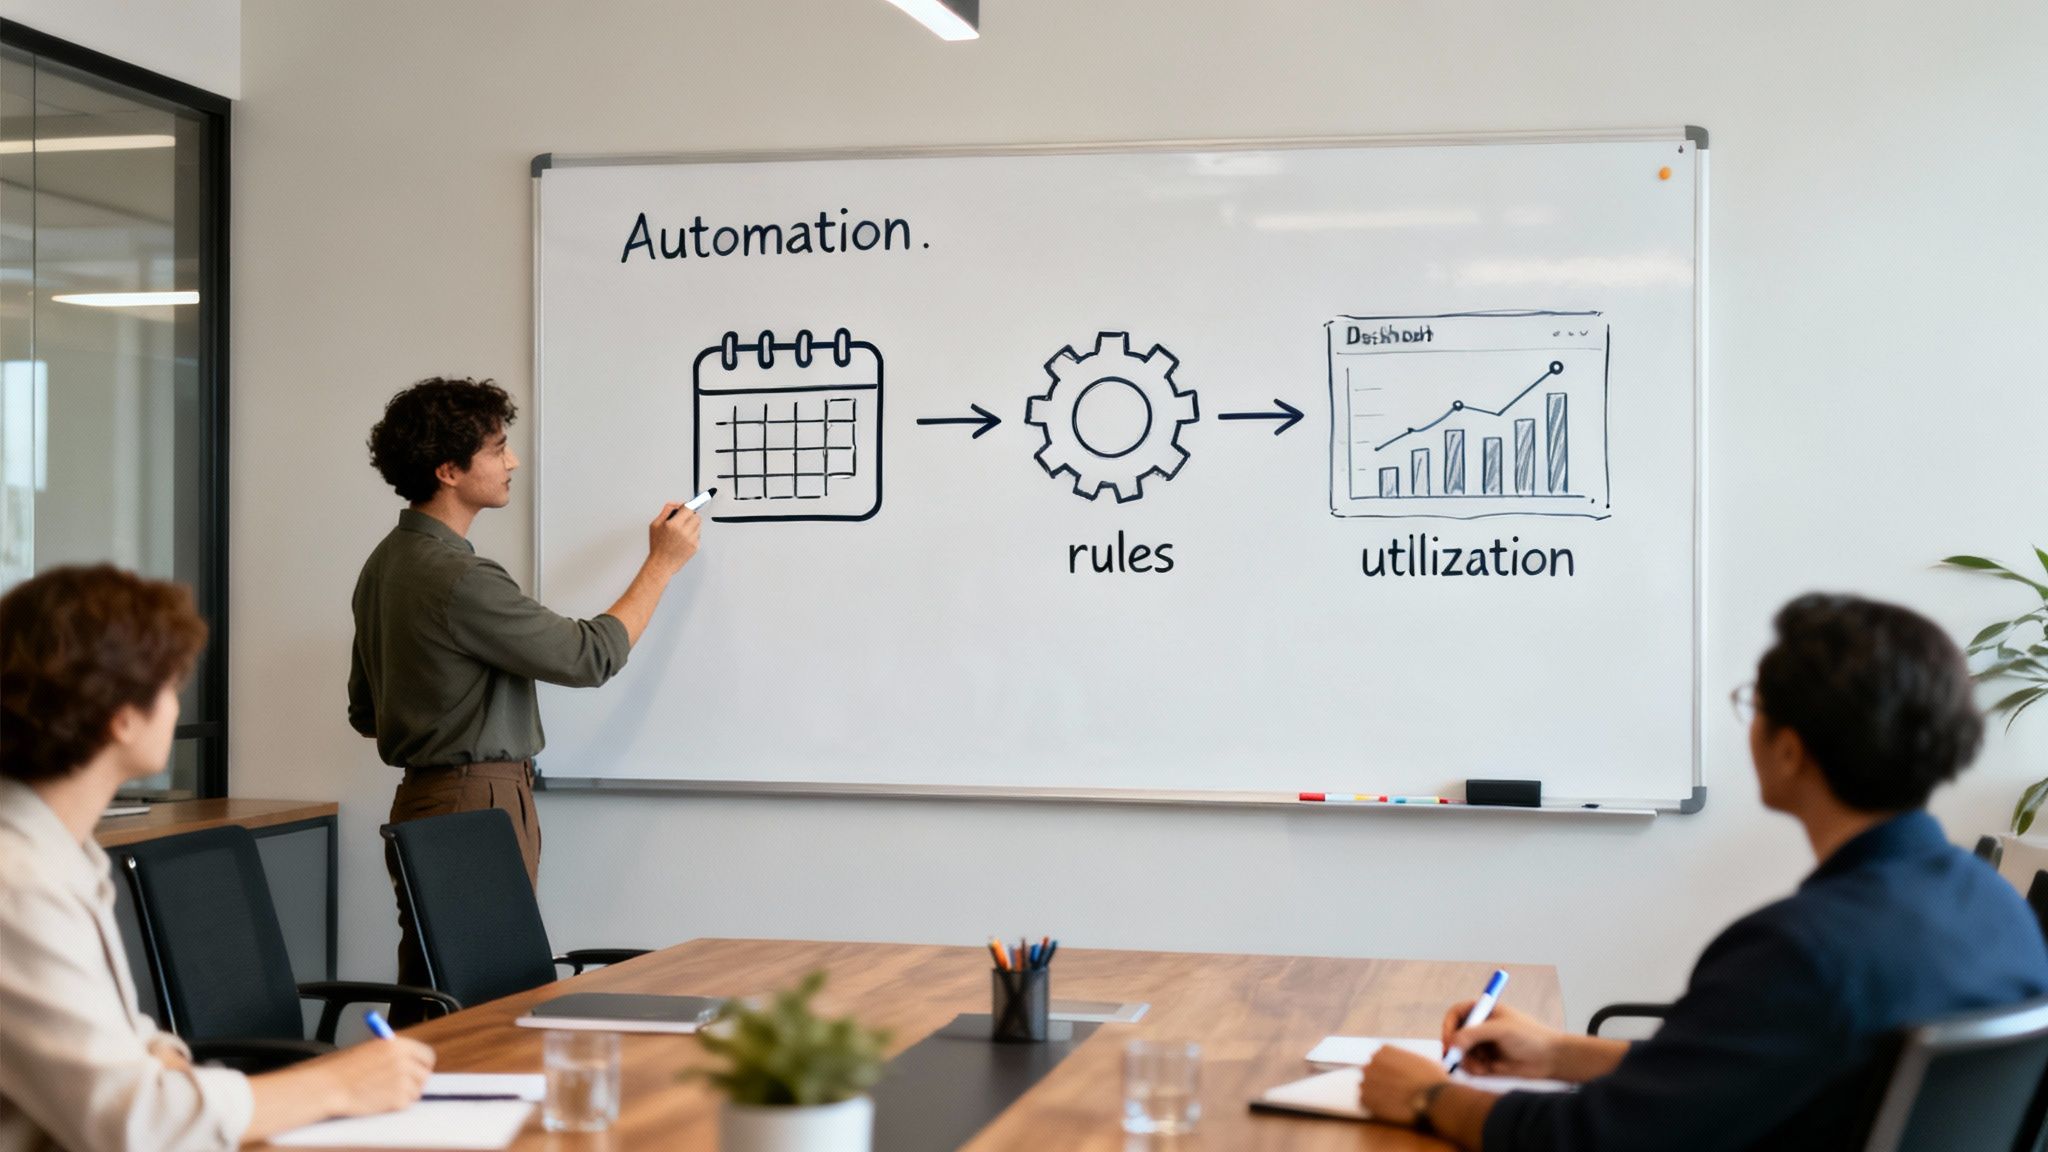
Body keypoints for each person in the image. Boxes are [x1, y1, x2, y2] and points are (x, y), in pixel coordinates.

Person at [1359, 593, 2048, 1150]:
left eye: (1756, 704)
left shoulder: (1799, 953)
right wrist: (1557, 1053)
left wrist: (1428, 1096)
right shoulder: (1998, 909)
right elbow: (1748, 1073)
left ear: (1789, 750)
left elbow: (1587, 1140)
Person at [1, 566, 436, 1152]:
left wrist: (162, 1061)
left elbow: (120, 1043)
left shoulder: (60, 853)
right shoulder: (18, 882)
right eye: (169, 687)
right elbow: (131, 1123)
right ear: (121, 716)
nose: (178, 706)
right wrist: (335, 1083)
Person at [350, 377, 699, 991]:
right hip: (475, 803)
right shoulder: (460, 577)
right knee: (481, 999)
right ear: (449, 470)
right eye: (497, 448)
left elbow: (366, 711)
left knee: (437, 987)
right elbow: (590, 656)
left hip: (425, 799)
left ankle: (401, 1087)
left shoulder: (386, 564)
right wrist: (661, 564)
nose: (511, 461)